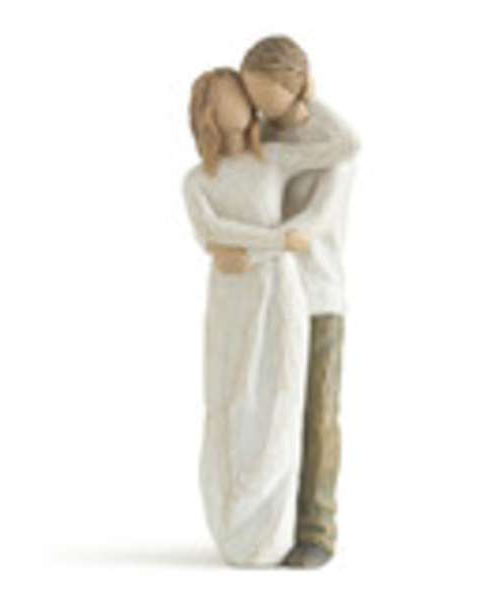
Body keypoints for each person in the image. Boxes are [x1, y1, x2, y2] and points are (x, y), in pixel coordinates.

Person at [184, 67, 355, 566]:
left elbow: (344, 148)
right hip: (233, 297)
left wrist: (306, 99)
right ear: (208, 111)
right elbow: (210, 232)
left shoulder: (275, 158)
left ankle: (293, 529)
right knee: (234, 400)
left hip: (289, 291)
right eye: (234, 94)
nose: (248, 103)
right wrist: (275, 242)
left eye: (251, 94)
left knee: (284, 404)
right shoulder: (198, 179)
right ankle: (235, 519)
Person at [235, 36, 359, 568]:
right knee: (268, 410)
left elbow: (315, 219)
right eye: (253, 97)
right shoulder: (263, 134)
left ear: (295, 87)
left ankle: (316, 528)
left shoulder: (332, 141)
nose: (259, 108)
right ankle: (267, 522)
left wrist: (271, 243)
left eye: (268, 97)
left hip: (316, 292)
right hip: (269, 291)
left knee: (318, 413)